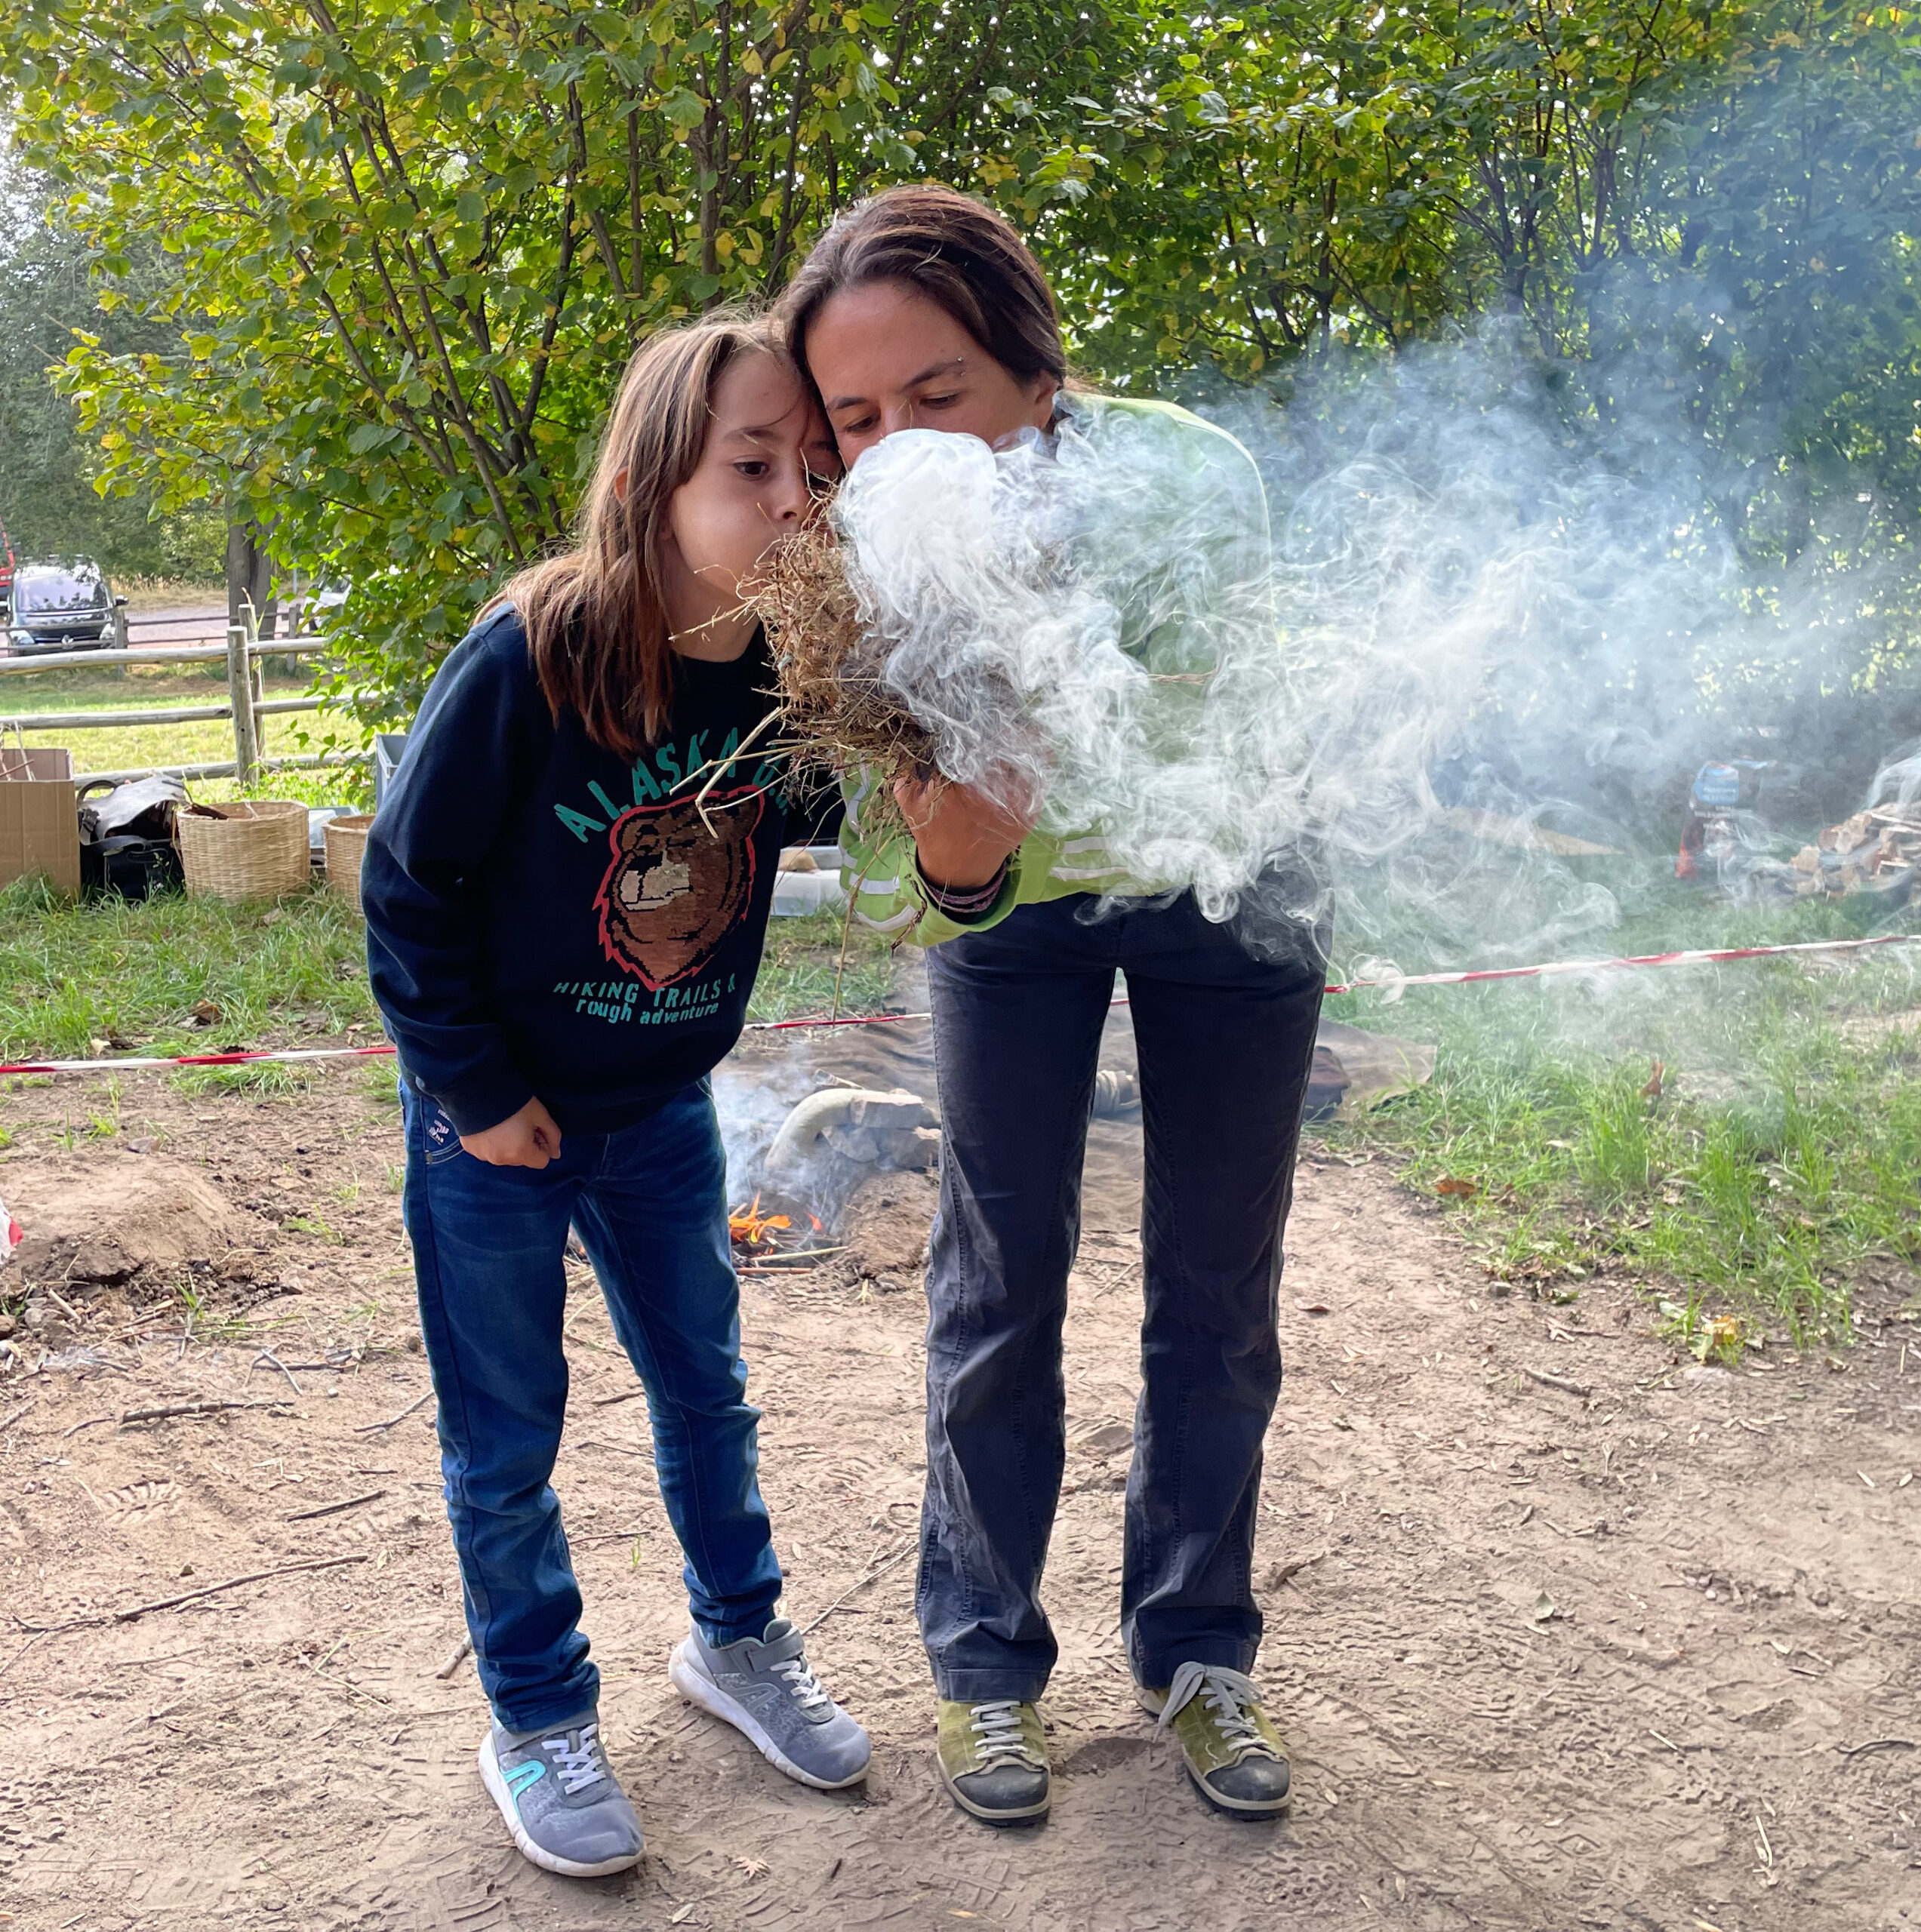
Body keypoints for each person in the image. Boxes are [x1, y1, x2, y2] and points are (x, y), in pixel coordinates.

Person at [777, 187, 1328, 1825]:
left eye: (935, 398)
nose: (892, 452)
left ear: (1035, 369)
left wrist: (1028, 608)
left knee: (1215, 1280)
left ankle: (1194, 1646)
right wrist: (957, 742)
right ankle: (982, 1665)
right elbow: (950, 865)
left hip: (1231, 883)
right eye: (854, 417)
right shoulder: (845, 548)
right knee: (1000, 1268)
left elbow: (1211, 744)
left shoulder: (1184, 474)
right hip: (1010, 914)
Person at [362, 314, 869, 1880]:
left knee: (704, 1393)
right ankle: (535, 1708)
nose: (795, 499)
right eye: (751, 466)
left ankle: (737, 1639)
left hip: (660, 1111)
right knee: (506, 1435)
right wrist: (476, 1085)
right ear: (656, 478)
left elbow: (835, 804)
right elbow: (407, 883)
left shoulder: (791, 668)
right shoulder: (537, 649)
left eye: (816, 469)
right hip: (498, 1122)